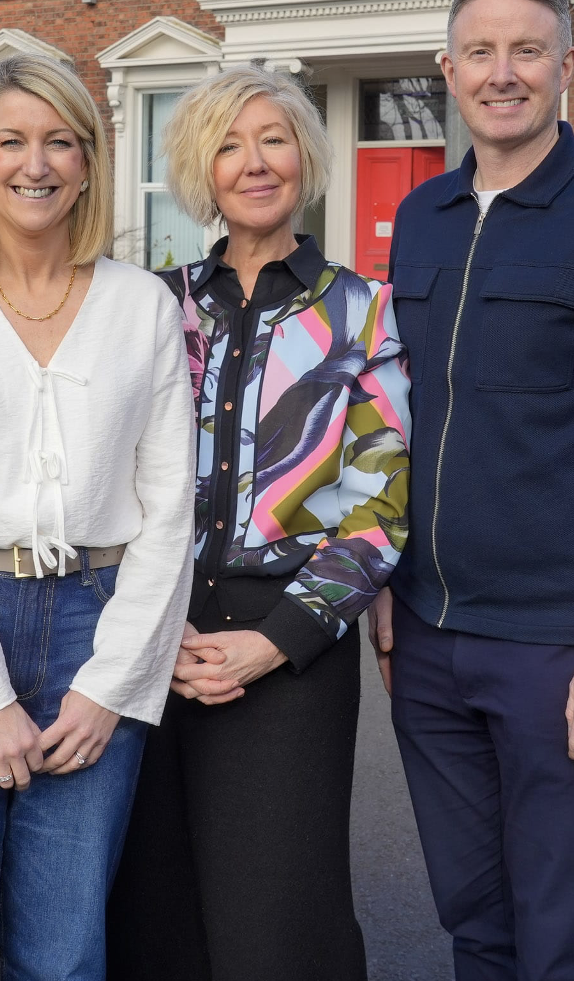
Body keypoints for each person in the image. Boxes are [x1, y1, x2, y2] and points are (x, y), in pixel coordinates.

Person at [0, 53, 196, 981]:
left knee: (64, 951)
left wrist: (111, 688)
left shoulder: (142, 306)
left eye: (60, 142)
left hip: (99, 628)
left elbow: (168, 512)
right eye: (11, 141)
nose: (35, 163)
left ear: (90, 162)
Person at [367, 0, 574, 979]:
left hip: (564, 651)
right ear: (448, 67)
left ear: (567, 66)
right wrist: (386, 585)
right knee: (476, 926)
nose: (503, 71)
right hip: (429, 643)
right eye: (480, 50)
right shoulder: (424, 222)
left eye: (528, 49)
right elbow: (390, 423)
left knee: (565, 941)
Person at [107, 65, 411, 981]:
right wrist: (159, 627)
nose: (253, 163)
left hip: (291, 644)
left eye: (273, 139)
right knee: (151, 906)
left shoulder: (363, 311)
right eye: (229, 145)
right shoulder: (151, 306)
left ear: (305, 157)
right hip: (151, 633)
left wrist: (274, 642)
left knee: (278, 919)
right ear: (202, 169)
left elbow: (381, 506)